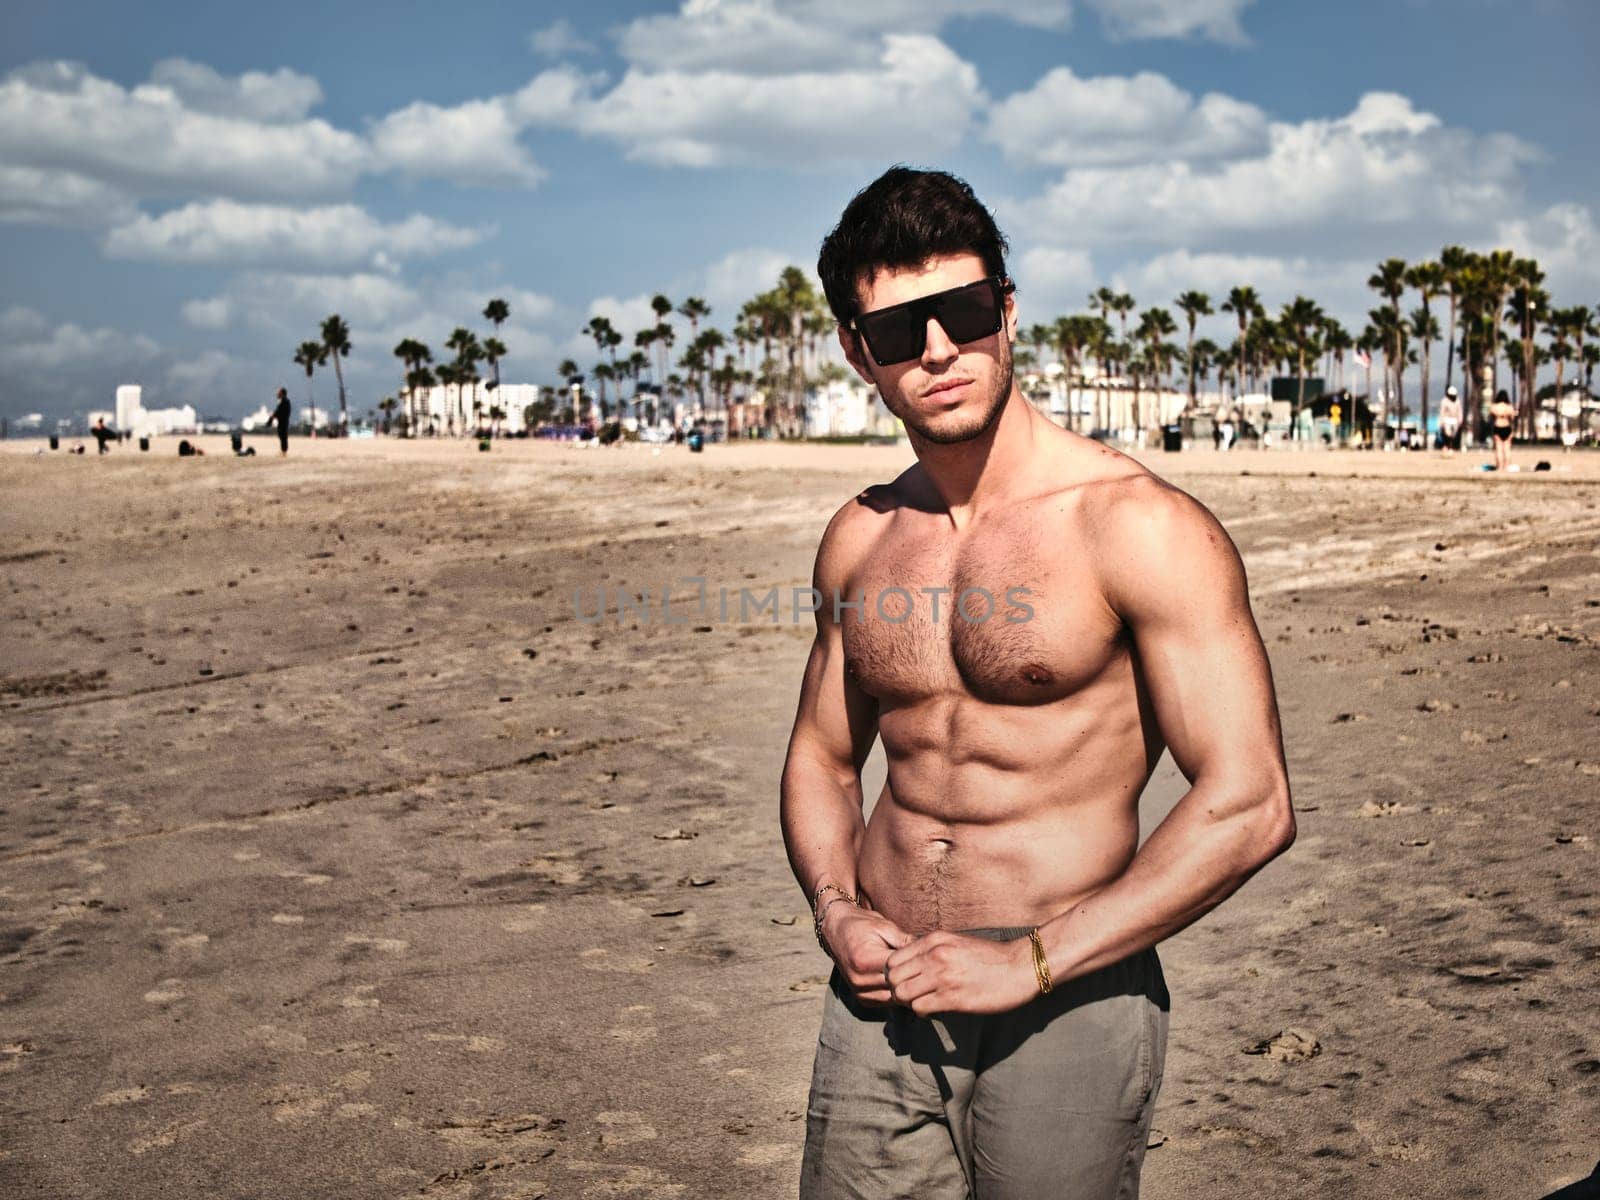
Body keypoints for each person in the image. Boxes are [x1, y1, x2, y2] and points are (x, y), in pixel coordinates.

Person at [781, 167, 1295, 1200]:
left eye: (962, 314)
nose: (936, 352)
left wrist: (1030, 964)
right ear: (854, 350)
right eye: (895, 332)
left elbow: (1249, 802)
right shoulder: (862, 536)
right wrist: (837, 912)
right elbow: (823, 761)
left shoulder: (1136, 527)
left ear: (1006, 313)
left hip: (1068, 993)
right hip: (877, 998)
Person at [1489, 388, 1516, 471]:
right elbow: (1512, 417)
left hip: (1498, 427)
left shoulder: (1494, 407)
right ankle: (1506, 466)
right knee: (1507, 449)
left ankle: (1500, 467)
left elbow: (1491, 416)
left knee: (1499, 449)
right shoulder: (1509, 407)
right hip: (1507, 427)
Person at [266, 387, 292, 456]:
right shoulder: (285, 401)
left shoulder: (284, 401)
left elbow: (277, 412)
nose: (277, 394)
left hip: (283, 422)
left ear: (282, 394)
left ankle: (283, 452)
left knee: (283, 436)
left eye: (278, 393)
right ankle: (283, 451)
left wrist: (271, 419)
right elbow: (278, 412)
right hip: (283, 421)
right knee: (282, 436)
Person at [1438, 386, 1463, 454]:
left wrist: (1460, 420)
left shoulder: (1457, 401)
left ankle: (1450, 447)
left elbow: (1459, 411)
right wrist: (1441, 422)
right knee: (1447, 434)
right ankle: (1447, 446)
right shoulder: (1444, 401)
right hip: (1446, 420)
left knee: (1453, 435)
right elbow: (1442, 412)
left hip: (1455, 420)